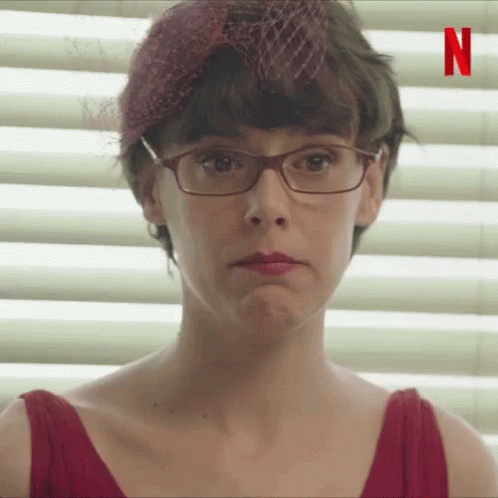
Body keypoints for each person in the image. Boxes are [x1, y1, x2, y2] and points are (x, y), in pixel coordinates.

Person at [2, 1, 497, 497]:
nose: (268, 207)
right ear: (152, 188)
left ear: (370, 185)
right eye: (220, 162)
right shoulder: (28, 461)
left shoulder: (452, 470)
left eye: (316, 160)